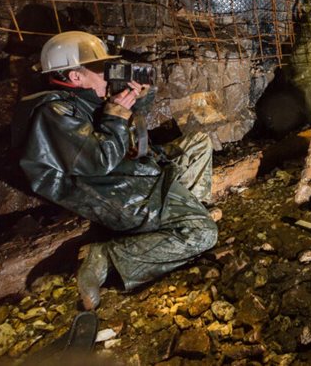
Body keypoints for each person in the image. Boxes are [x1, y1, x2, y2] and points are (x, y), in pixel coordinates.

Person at [12, 31, 218, 310]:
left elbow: (129, 139)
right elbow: (98, 162)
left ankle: (179, 221)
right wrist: (114, 116)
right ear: (75, 76)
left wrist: (137, 102)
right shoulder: (54, 113)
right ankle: (107, 256)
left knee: (198, 144)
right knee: (204, 234)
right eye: (101, 68)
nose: (110, 75)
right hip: (111, 192)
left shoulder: (84, 97)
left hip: (129, 172)